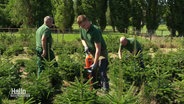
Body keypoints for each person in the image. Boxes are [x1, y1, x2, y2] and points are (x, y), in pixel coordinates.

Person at [77, 15, 109, 92]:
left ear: (87, 21)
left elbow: (98, 49)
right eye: (81, 26)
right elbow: (82, 39)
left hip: (101, 52)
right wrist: (85, 46)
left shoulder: (95, 31)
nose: (83, 27)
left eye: (84, 25)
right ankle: (94, 86)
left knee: (102, 69)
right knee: (91, 70)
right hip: (91, 52)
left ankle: (105, 89)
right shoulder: (82, 29)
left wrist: (95, 63)